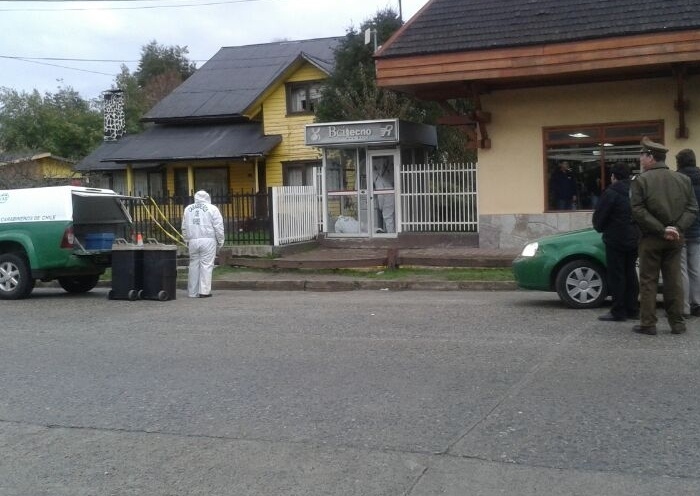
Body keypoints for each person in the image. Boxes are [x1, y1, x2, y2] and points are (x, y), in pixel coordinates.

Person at [630, 137, 699, 335]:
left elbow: (637, 210)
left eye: (643, 155)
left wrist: (661, 229)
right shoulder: (683, 179)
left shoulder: (641, 180)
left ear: (651, 157)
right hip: (676, 238)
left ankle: (648, 323)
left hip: (651, 238)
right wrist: (676, 228)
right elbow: (692, 208)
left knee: (649, 280)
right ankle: (677, 323)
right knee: (674, 280)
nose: (640, 158)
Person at [592, 163, 640, 322]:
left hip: (615, 239)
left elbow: (599, 217)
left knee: (616, 275)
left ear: (613, 177)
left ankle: (618, 311)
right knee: (631, 273)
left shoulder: (611, 193)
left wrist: (600, 227)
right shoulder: (636, 191)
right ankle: (632, 308)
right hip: (634, 238)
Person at [181, 190, 225, 298]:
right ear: (207, 197)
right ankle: (204, 291)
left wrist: (186, 239)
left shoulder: (188, 209)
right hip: (208, 240)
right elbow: (218, 226)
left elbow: (184, 226)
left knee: (194, 266)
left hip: (193, 241)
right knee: (206, 265)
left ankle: (192, 292)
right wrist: (220, 240)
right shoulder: (212, 208)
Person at [676, 148, 700, 316]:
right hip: (698, 230)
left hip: (681, 229)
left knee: (682, 269)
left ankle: (683, 307)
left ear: (679, 162)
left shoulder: (676, 179)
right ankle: (697, 303)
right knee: (696, 268)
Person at [373, 159, 396, 233]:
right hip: (390, 198)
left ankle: (391, 234)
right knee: (390, 218)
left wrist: (380, 206)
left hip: (388, 200)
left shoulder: (378, 181)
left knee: (388, 217)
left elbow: (380, 195)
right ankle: (390, 232)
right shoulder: (381, 179)